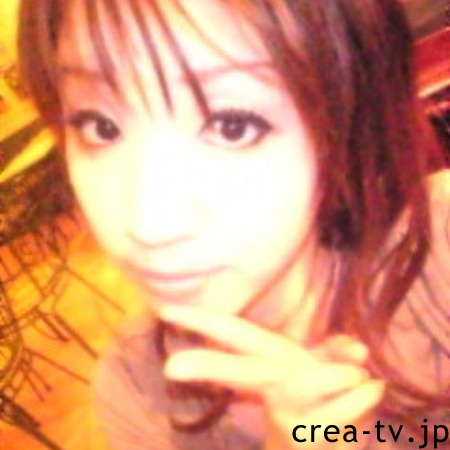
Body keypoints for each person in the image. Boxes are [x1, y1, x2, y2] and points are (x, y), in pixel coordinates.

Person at [18, 0, 449, 448]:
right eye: (101, 126)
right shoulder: (135, 396)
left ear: (347, 122)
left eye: (232, 126)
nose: (148, 224)